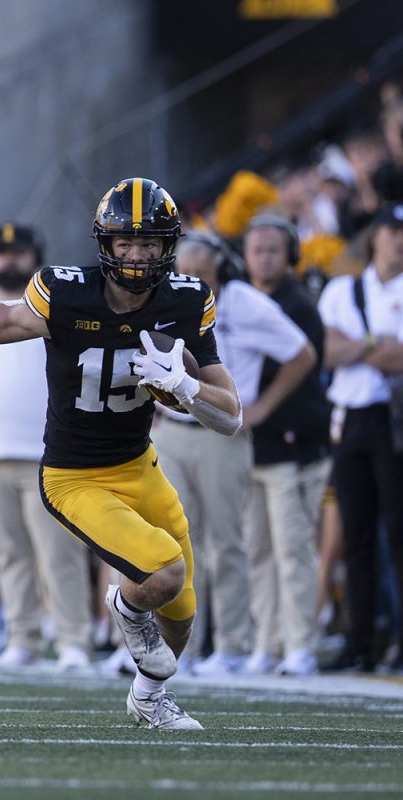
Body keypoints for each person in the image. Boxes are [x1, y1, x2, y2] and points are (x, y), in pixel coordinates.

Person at [0, 177, 241, 731]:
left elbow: (230, 415)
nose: (136, 254)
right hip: (74, 476)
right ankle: (126, 609)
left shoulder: (185, 300)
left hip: (140, 465)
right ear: (104, 243)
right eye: (125, 242)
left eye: (148, 242)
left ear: (167, 245)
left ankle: (148, 699)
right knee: (163, 571)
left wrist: (187, 387)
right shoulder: (65, 292)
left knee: (181, 616)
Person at [152, 230, 314, 678]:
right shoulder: (163, 296)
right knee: (176, 543)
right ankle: (182, 647)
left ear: (221, 270)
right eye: (185, 273)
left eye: (203, 275)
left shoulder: (245, 302)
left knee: (225, 543)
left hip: (221, 432)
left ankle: (233, 645)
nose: (193, 282)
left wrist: (260, 405)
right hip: (173, 430)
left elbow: (301, 353)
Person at [0, 222, 94, 670]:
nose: (8, 261)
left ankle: (74, 640)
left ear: (35, 255)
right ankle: (23, 637)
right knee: (9, 553)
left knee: (59, 553)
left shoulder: (57, 304)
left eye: (17, 253)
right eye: (0, 253)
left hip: (44, 450)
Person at [240, 215, 331, 676]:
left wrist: (259, 409)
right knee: (256, 548)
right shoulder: (238, 301)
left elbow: (299, 372)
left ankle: (300, 645)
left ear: (291, 255)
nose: (265, 258)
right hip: (253, 446)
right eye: (257, 250)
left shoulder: (299, 306)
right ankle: (267, 641)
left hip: (293, 445)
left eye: (274, 250)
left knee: (293, 547)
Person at [318, 202, 403, 673]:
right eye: (392, 230)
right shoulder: (343, 287)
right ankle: (360, 640)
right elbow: (325, 351)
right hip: (349, 417)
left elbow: (401, 359)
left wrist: (356, 347)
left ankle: (393, 638)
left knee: (397, 530)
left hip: (392, 418)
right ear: (376, 235)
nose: (398, 239)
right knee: (356, 534)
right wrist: (375, 345)